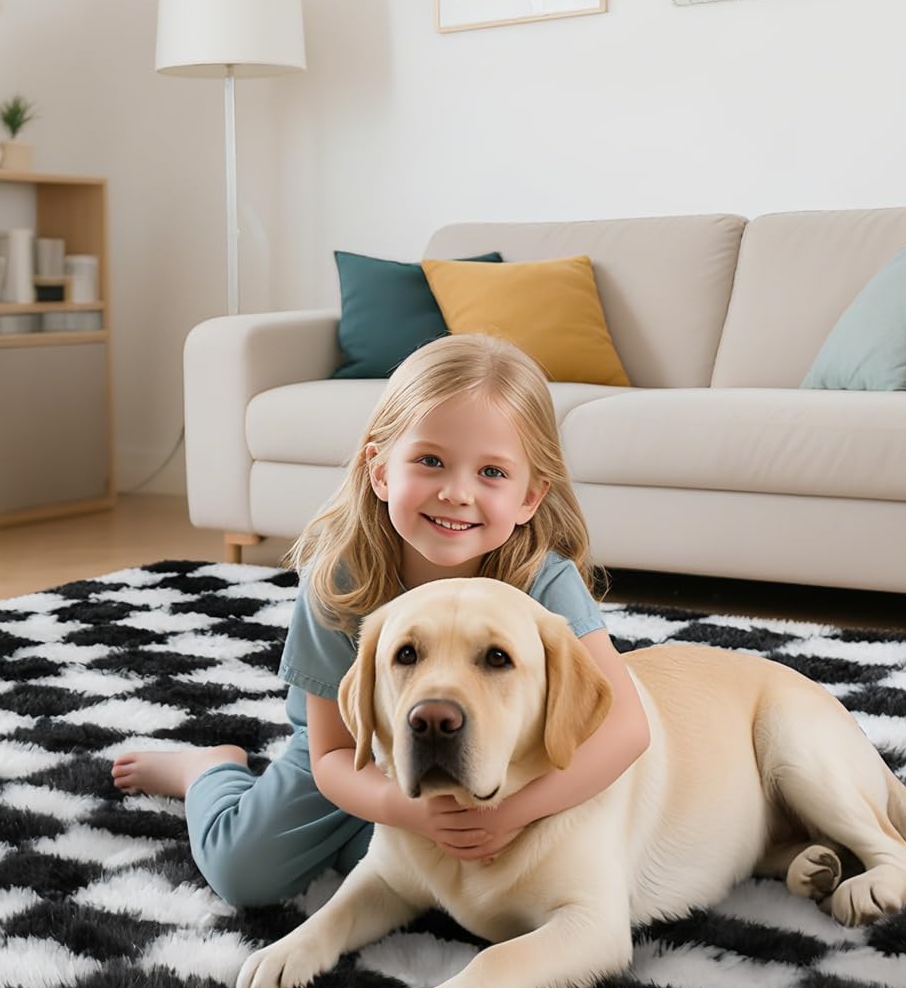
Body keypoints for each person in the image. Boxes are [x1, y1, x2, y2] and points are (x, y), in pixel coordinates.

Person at [111, 332, 650, 906]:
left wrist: (509, 815)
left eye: (492, 473)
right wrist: (406, 811)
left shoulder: (543, 582)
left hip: (487, 758)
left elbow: (626, 729)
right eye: (430, 461)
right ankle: (210, 771)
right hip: (361, 753)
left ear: (530, 497)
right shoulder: (342, 577)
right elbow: (332, 756)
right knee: (244, 874)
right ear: (381, 470)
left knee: (425, 873)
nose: (456, 492)